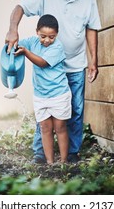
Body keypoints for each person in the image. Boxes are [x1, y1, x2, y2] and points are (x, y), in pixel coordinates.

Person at [5, 0, 101, 163]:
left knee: (75, 109)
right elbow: (19, 7)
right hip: (48, 69)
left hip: (75, 64)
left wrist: (93, 61)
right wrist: (13, 29)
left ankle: (72, 152)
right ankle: (40, 153)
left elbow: (91, 29)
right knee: (45, 110)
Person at [14, 14, 72, 164]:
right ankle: (50, 163)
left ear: (56, 35)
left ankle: (64, 161)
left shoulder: (57, 47)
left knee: (60, 128)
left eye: (51, 37)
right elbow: (15, 43)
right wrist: (11, 36)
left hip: (59, 94)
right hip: (40, 95)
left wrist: (25, 52)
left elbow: (42, 63)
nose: (47, 40)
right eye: (43, 36)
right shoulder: (32, 42)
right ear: (36, 32)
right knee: (45, 128)